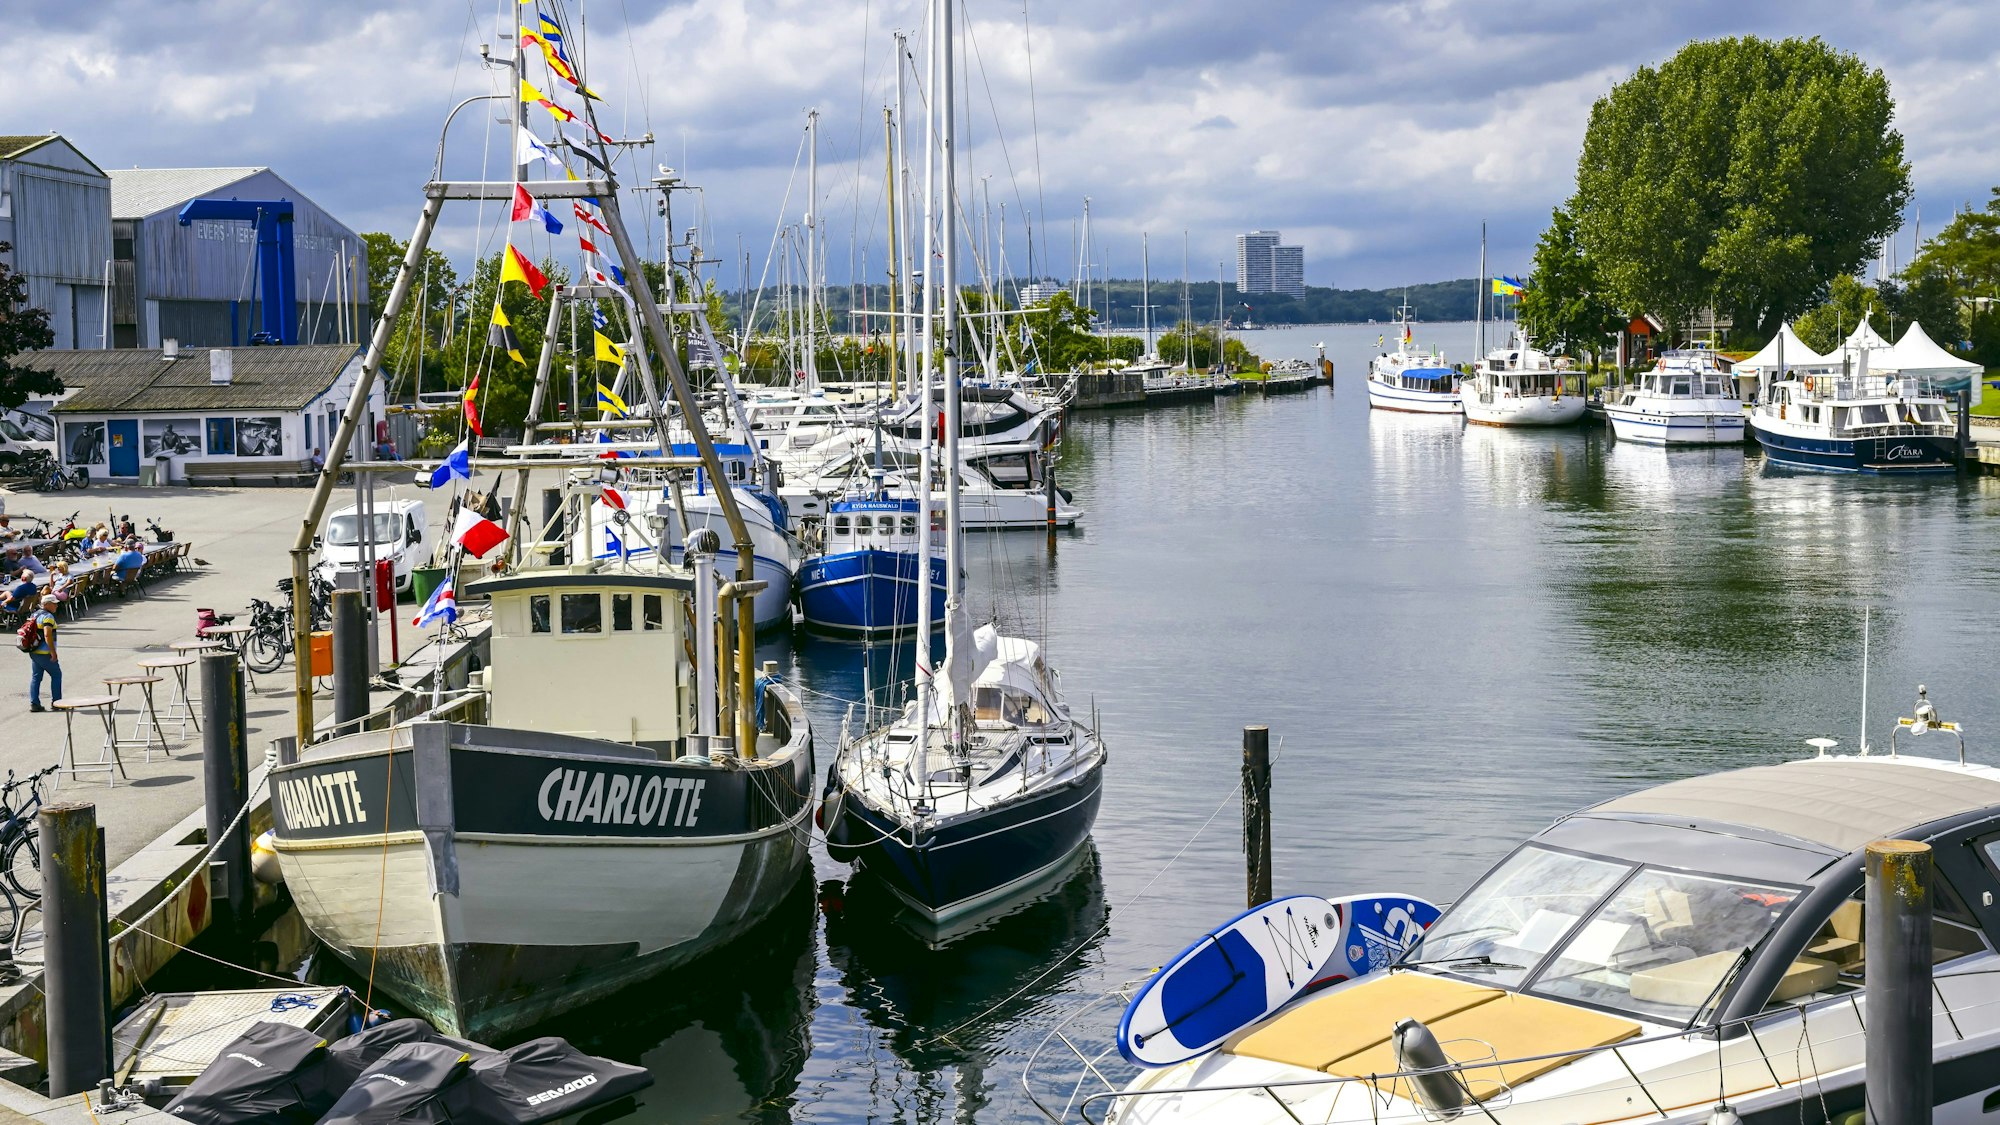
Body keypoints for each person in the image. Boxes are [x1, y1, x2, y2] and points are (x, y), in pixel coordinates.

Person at [26, 593, 59, 712]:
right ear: (47, 604)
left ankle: (34, 703)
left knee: (36, 677)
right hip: (45, 653)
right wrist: (53, 652)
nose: (56, 606)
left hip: (34, 651)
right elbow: (47, 634)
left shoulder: (35, 614)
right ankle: (57, 702)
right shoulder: (48, 617)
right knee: (56, 675)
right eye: (54, 604)